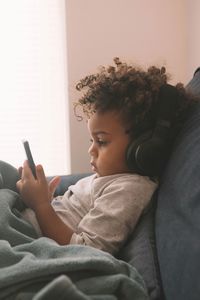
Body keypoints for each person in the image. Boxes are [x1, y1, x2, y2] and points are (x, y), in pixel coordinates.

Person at [16, 57, 196, 255]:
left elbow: (84, 250)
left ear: (145, 149)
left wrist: (41, 205)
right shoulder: (112, 178)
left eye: (101, 141)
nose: (91, 150)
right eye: (91, 141)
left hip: (23, 235)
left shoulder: (129, 189)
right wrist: (47, 200)